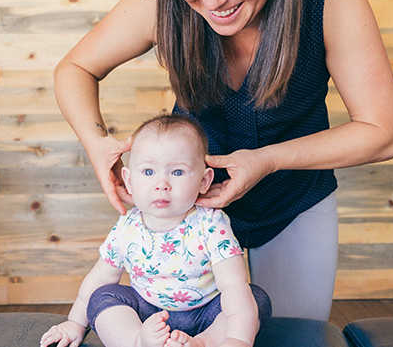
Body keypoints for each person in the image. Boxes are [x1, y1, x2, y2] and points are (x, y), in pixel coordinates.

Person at [52, 0, 393, 321]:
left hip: (295, 198)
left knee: (292, 336)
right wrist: (97, 144)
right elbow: (74, 68)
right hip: (189, 211)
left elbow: (383, 134)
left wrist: (267, 160)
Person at [40, 114, 272, 347]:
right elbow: (99, 278)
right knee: (102, 296)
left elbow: (232, 285)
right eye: (149, 172)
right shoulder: (127, 227)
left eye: (177, 172)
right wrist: (74, 323)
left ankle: (203, 343)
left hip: (206, 314)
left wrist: (238, 339)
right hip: (146, 314)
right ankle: (138, 341)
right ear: (129, 181)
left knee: (254, 299)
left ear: (204, 181)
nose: (162, 183)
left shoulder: (212, 225)